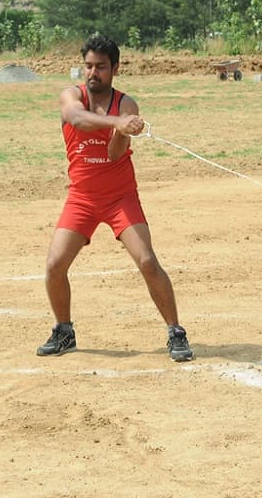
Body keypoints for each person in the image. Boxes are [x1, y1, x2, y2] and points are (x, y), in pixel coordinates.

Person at [37, 33, 193, 362]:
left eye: (101, 67)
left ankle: (175, 332)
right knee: (54, 265)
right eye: (88, 66)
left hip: (120, 197)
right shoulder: (71, 96)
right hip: (82, 197)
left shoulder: (126, 104)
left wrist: (122, 130)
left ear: (115, 69)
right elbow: (76, 118)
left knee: (148, 262)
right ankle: (64, 331)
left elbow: (113, 155)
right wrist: (116, 122)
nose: (93, 73)